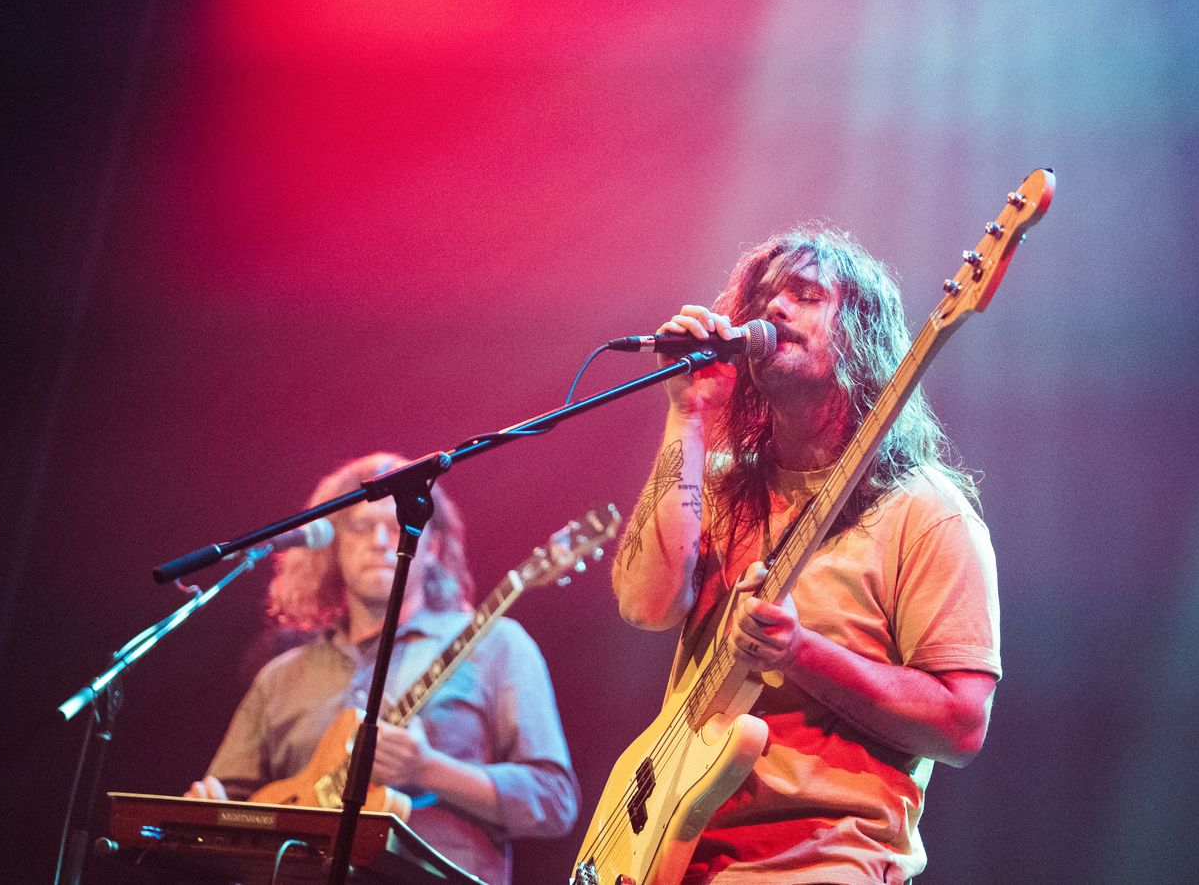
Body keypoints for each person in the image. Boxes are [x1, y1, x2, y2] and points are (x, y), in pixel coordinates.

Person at [612, 225, 1001, 884]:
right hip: (669, 854)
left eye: (806, 294)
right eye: (765, 297)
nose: (775, 308)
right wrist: (689, 415)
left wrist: (800, 653)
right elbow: (645, 605)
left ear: (861, 335)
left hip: (823, 860)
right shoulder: (719, 483)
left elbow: (961, 724)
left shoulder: (925, 511)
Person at [187, 452, 578, 885]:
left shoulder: (496, 644)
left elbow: (554, 801)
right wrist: (207, 810)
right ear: (334, 546)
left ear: (433, 547)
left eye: (396, 526)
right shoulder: (280, 678)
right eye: (360, 527)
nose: (378, 541)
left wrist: (429, 769)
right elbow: (225, 805)